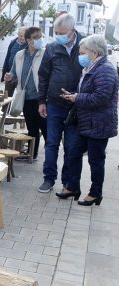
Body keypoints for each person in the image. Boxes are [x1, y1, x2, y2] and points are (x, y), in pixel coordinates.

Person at [56, 35, 118, 205]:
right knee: (73, 153)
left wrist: (77, 98)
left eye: (83, 53)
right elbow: (88, 93)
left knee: (96, 160)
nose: (80, 56)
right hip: (85, 122)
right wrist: (74, 95)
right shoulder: (92, 67)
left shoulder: (105, 69)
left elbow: (101, 98)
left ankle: (95, 193)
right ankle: (72, 186)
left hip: (99, 123)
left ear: (95, 52)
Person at [37, 13, 83, 193]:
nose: (58, 36)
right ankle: (48, 179)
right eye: (56, 32)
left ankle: (67, 183)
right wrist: (42, 101)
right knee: (51, 143)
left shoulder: (85, 46)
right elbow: (43, 76)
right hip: (54, 105)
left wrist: (79, 96)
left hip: (76, 106)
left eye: (61, 33)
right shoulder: (52, 48)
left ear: (72, 31)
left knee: (71, 146)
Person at [4, 26, 47, 161]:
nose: (39, 40)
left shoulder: (45, 54)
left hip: (41, 98)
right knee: (31, 128)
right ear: (28, 40)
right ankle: (31, 154)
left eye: (40, 37)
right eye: (35, 37)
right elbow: (13, 72)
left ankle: (51, 156)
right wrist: (9, 76)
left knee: (46, 129)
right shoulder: (20, 55)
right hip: (26, 97)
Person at [1, 26, 28, 97]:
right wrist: (4, 73)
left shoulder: (28, 46)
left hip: (22, 76)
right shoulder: (13, 43)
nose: (22, 38)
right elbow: (7, 58)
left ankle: (17, 108)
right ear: (18, 34)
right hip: (10, 74)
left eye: (24, 36)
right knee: (6, 97)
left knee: (21, 98)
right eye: (21, 36)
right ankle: (5, 108)